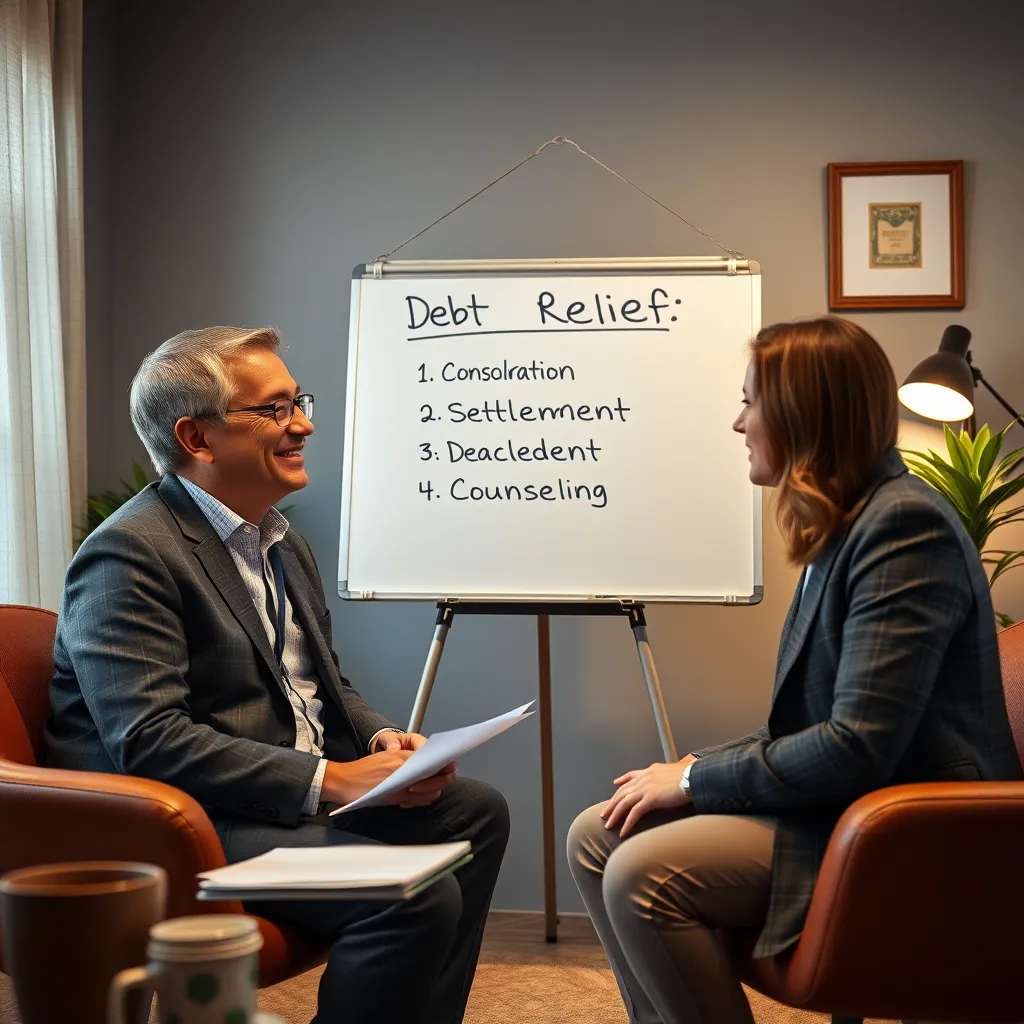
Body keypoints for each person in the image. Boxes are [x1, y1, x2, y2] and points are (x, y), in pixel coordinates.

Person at [45, 325, 510, 1024]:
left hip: (271, 795)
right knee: (411, 894)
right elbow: (149, 739)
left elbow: (323, 686)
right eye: (274, 409)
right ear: (197, 438)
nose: (303, 425)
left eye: (298, 402)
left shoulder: (283, 546)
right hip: (186, 819)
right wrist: (333, 780)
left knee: (474, 813)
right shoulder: (129, 553)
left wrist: (380, 742)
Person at [566, 315, 1023, 1024]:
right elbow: (808, 725)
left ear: (803, 415)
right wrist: (690, 768)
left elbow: (857, 745)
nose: (738, 422)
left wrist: (690, 781)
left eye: (750, 402)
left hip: (913, 833)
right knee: (597, 834)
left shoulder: (905, 527)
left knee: (638, 873)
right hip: (850, 805)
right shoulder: (845, 525)